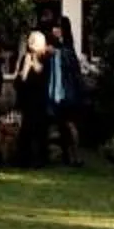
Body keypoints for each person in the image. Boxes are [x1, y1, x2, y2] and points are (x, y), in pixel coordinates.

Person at [47, 15, 85, 165]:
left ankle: (76, 155)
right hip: (56, 93)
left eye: (57, 27)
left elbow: (71, 66)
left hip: (67, 94)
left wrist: (56, 53)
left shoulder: (67, 48)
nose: (54, 30)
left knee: (70, 124)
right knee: (62, 125)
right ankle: (67, 156)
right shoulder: (54, 45)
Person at [15, 30, 52, 167]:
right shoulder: (25, 58)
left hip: (40, 99)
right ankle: (24, 159)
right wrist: (25, 68)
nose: (30, 44)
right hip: (28, 100)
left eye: (32, 41)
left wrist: (33, 63)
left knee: (40, 130)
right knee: (27, 130)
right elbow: (20, 81)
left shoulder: (45, 58)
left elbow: (43, 77)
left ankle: (41, 158)